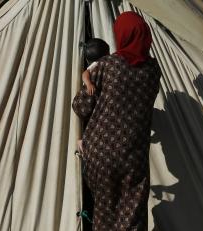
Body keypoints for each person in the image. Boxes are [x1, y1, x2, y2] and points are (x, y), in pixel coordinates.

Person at [72, 11, 161, 231]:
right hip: (133, 155)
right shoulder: (152, 70)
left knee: (104, 211)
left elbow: (81, 106)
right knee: (131, 211)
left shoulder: (107, 65)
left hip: (100, 154)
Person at [76, 38, 110, 153]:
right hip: (90, 96)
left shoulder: (103, 63)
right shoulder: (97, 64)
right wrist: (89, 83)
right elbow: (85, 73)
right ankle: (82, 140)